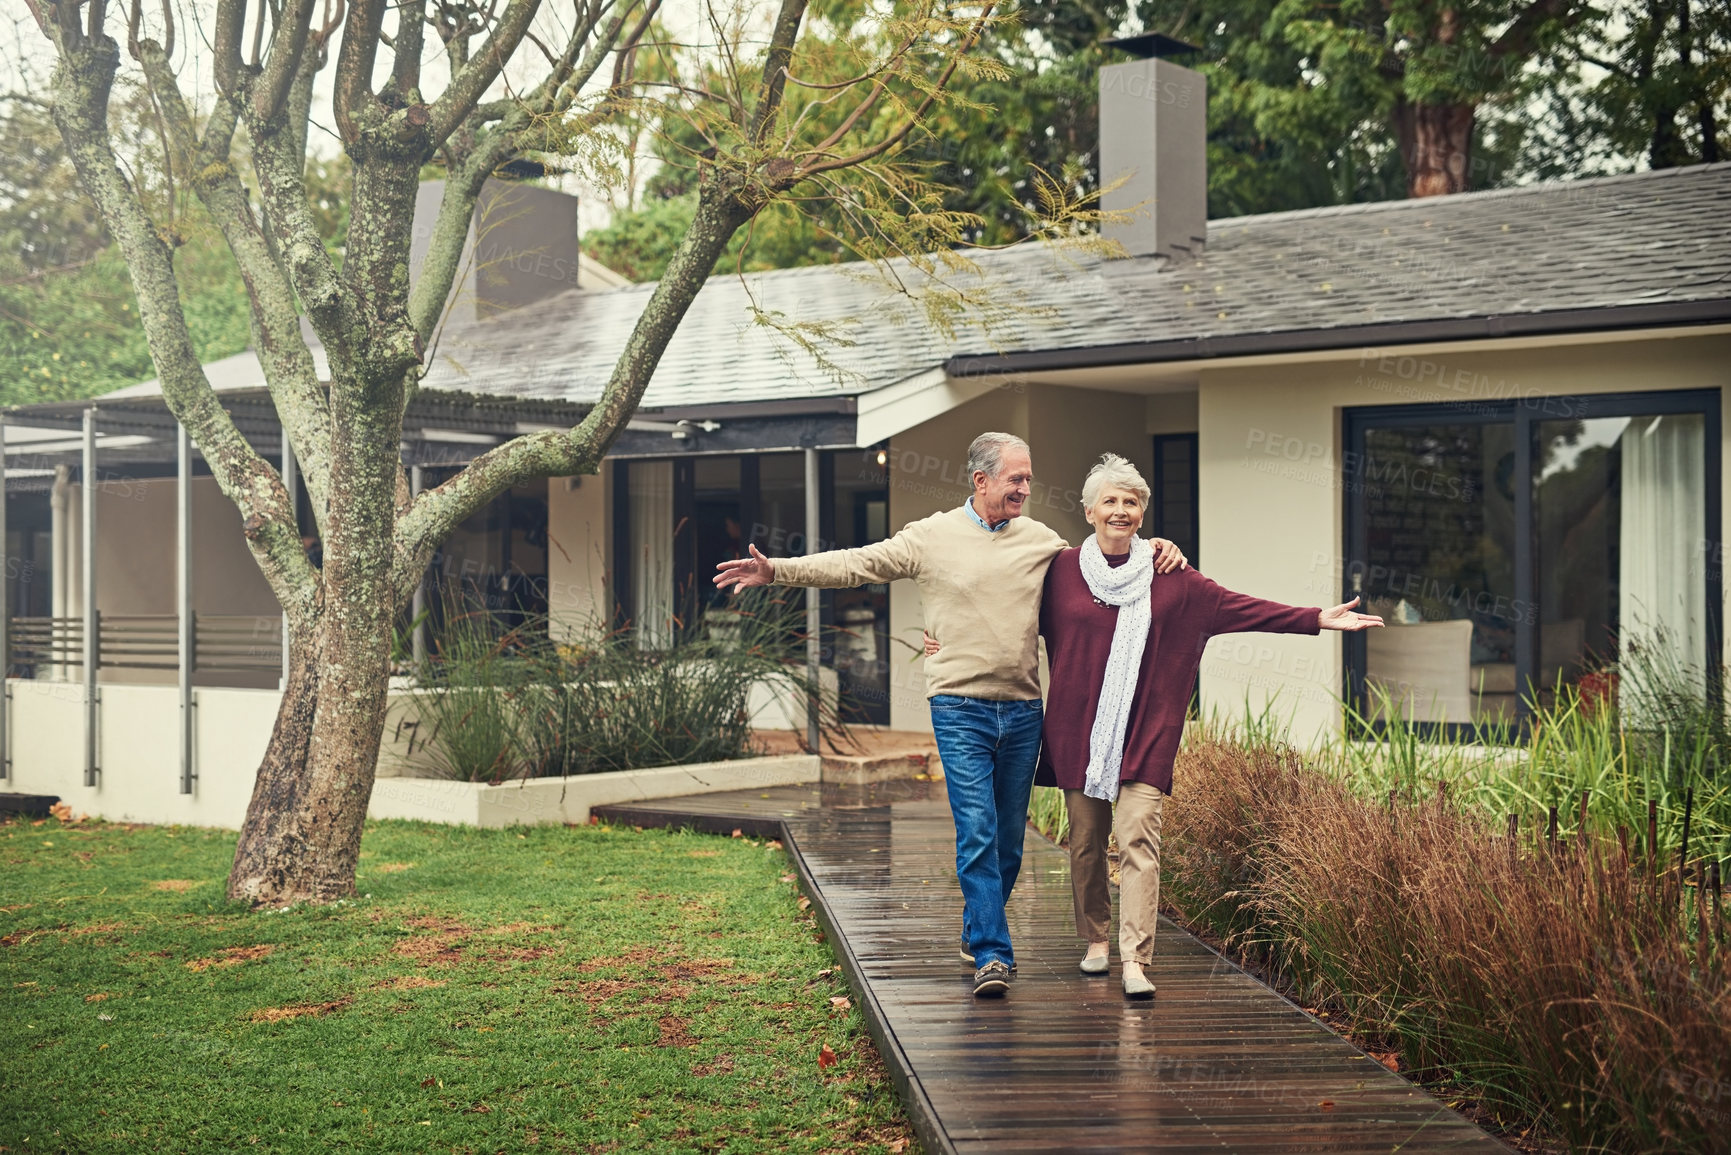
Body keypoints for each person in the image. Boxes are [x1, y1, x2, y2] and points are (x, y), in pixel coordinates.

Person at [712, 433, 1186, 998]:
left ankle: (974, 927)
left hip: (1022, 708)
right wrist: (779, 571)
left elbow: (1103, 574)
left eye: (1028, 479)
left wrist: (1159, 548)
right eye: (1017, 479)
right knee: (977, 831)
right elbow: (856, 565)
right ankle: (992, 953)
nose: (1026, 489)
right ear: (981, 480)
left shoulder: (1042, 543)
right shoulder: (930, 536)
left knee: (1009, 840)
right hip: (959, 706)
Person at [925, 453, 1381, 999]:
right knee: (1087, 844)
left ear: (1143, 513)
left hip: (1146, 733)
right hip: (1079, 733)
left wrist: (1314, 618)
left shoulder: (1174, 578)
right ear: (1090, 510)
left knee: (1138, 835)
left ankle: (1135, 958)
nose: (1121, 511)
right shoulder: (1062, 573)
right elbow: (1005, 614)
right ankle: (1095, 942)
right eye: (1111, 501)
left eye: (1132, 502)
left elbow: (1239, 608)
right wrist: (947, 639)